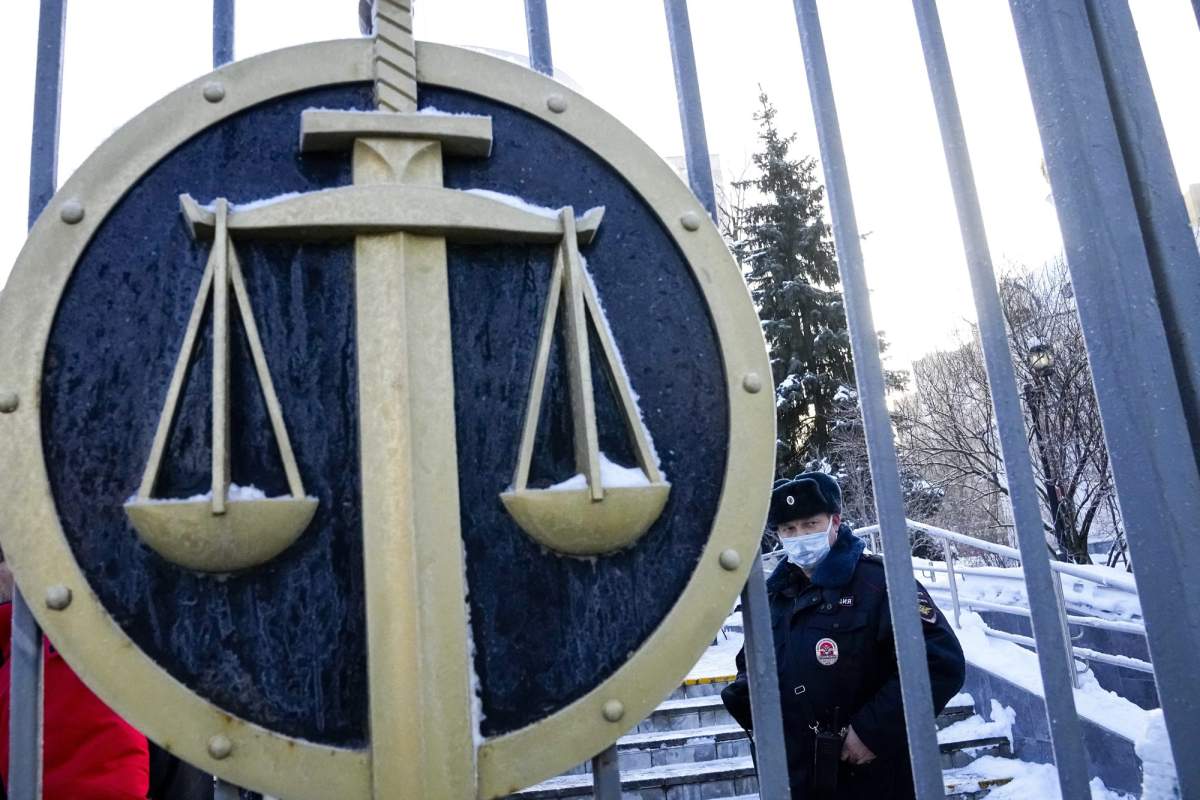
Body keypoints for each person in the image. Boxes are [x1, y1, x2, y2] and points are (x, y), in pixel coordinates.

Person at [721, 472, 965, 800]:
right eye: (788, 529)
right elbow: (752, 662)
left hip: (870, 776)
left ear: (835, 521)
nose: (799, 536)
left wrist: (870, 732)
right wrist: (747, 692)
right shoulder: (772, 598)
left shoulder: (878, 584)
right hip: (797, 777)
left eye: (810, 524)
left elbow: (939, 662)